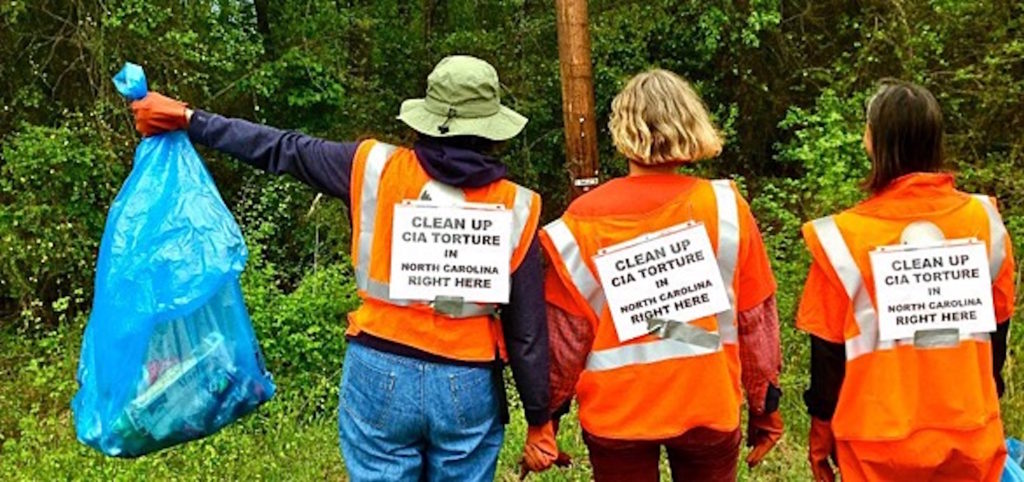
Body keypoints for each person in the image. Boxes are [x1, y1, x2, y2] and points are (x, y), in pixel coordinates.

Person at [131, 55, 558, 481]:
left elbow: (280, 148)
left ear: (426, 117)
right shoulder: (517, 204)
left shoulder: (371, 167)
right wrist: (539, 420)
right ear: (491, 128)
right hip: (466, 381)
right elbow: (527, 332)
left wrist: (190, 119)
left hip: (378, 368)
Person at [538, 69, 784, 482]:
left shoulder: (582, 219)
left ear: (622, 129)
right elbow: (755, 319)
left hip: (618, 414)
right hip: (707, 403)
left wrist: (546, 416)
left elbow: (566, 337)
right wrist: (765, 407)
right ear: (691, 124)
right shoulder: (724, 208)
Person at [798, 79, 1015, 482]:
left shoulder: (842, 238)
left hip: (875, 445)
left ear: (873, 141)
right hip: (970, 434)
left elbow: (827, 356)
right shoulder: (985, 221)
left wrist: (820, 434)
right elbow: (997, 330)